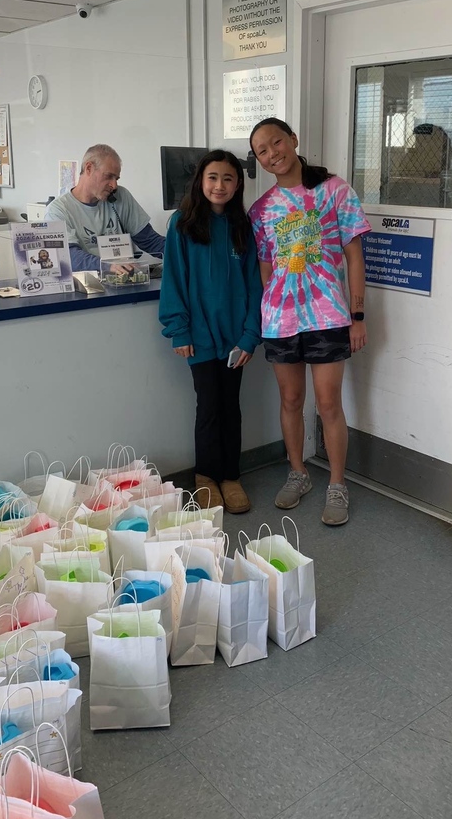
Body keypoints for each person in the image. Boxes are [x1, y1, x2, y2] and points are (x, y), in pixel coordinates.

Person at [248, 117, 370, 527]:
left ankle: (337, 484)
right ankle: (298, 472)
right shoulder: (261, 210)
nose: (271, 154)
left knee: (330, 403)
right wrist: (272, 305)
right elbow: (266, 266)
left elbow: (354, 256)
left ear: (294, 140)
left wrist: (357, 316)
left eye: (276, 142)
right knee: (290, 401)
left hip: (328, 315)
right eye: (262, 151)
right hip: (281, 320)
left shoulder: (334, 190)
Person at [159, 150, 262, 514]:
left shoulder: (242, 227)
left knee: (231, 407)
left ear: (238, 185)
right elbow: (173, 281)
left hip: (236, 340)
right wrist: (179, 331)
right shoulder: (182, 224)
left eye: (228, 179)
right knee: (209, 408)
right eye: (213, 177)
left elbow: (255, 285)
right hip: (199, 337)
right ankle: (205, 478)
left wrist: (250, 336)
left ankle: (230, 477)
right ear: (200, 181)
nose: (220, 185)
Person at [44, 143, 165, 274]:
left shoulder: (121, 197)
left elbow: (150, 240)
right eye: (108, 176)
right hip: (88, 287)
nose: (114, 185)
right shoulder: (58, 210)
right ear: (89, 168)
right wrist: (108, 265)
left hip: (126, 281)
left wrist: (184, 252)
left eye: (116, 178)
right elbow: (69, 256)